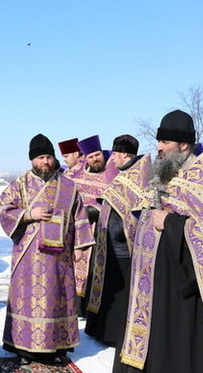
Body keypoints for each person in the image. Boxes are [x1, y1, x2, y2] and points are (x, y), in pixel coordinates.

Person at [115, 110, 203, 373]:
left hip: (184, 289)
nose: (158, 148)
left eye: (165, 143)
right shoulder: (167, 174)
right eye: (158, 142)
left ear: (184, 145)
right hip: (152, 283)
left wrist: (170, 223)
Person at [0, 134, 94, 365]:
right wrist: (29, 215)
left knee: (58, 299)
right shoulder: (20, 184)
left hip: (60, 256)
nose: (46, 162)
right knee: (28, 301)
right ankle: (24, 349)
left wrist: (80, 245)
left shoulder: (68, 186)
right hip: (29, 255)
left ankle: (57, 347)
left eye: (49, 156)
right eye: (41, 157)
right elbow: (3, 208)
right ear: (32, 160)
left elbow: (79, 216)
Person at [85, 135, 150, 346]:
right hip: (109, 247)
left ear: (125, 154)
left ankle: (114, 335)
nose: (111, 159)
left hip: (124, 250)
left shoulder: (138, 177)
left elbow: (137, 212)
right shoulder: (125, 174)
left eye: (114, 154)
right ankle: (102, 331)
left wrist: (121, 232)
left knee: (120, 294)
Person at [66, 134, 119, 313]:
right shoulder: (76, 173)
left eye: (97, 154)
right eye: (91, 156)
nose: (96, 158)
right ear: (85, 158)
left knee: (97, 269)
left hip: (103, 230)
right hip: (80, 229)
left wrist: (96, 208)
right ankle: (77, 307)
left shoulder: (113, 172)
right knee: (76, 266)